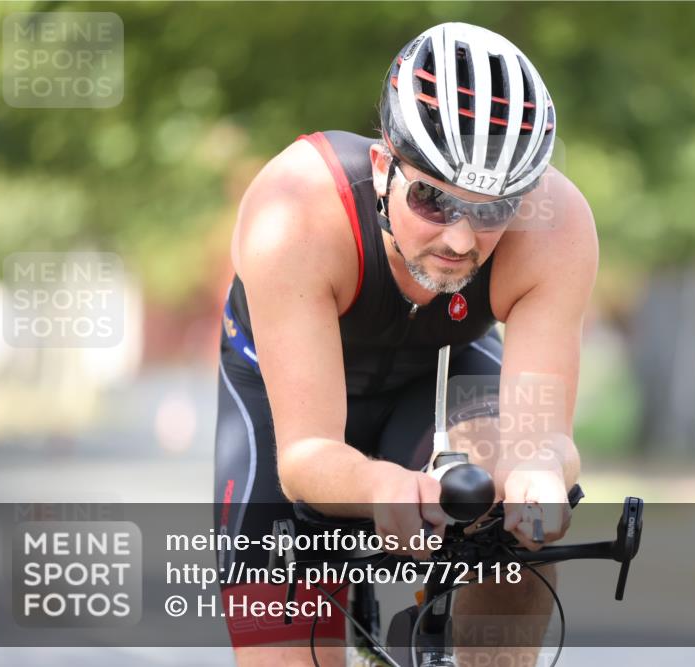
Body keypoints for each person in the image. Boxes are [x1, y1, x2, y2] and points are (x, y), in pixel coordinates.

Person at [214, 21, 597, 667]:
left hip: (438, 373)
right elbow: (306, 454)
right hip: (282, 396)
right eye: (431, 199)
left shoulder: (555, 231)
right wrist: (380, 485)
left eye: (493, 210)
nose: (459, 240)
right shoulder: (294, 211)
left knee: (509, 529)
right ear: (383, 166)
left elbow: (545, 440)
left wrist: (536, 474)